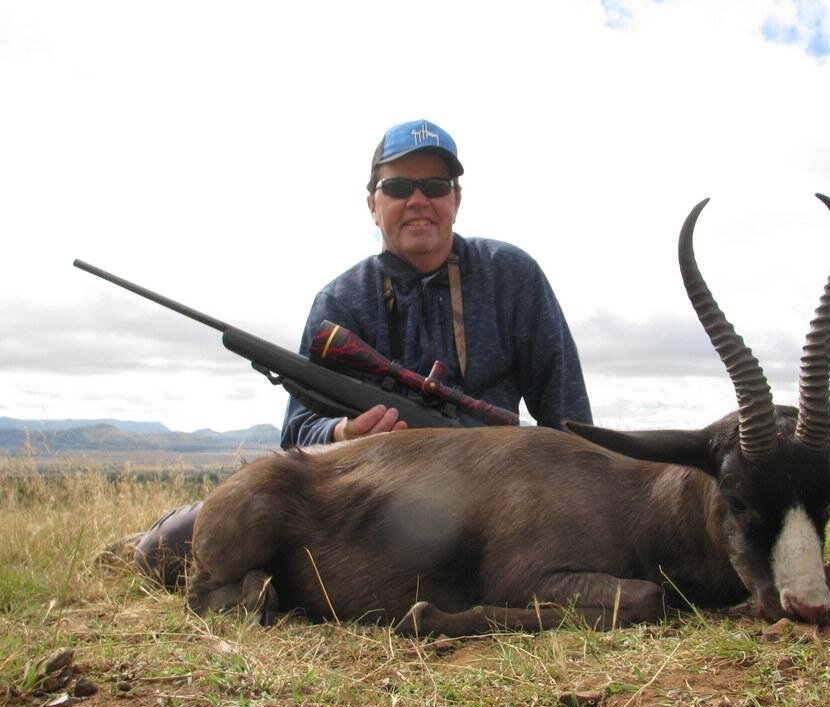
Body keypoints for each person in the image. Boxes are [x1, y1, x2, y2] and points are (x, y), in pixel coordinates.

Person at [132, 118, 592, 586]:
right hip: (369, 499)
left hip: (497, 502)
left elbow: (569, 416)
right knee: (162, 552)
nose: (418, 201)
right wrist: (344, 432)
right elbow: (298, 432)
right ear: (373, 204)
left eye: (435, 185)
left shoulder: (513, 276)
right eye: (398, 187)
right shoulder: (341, 302)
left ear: (456, 199)